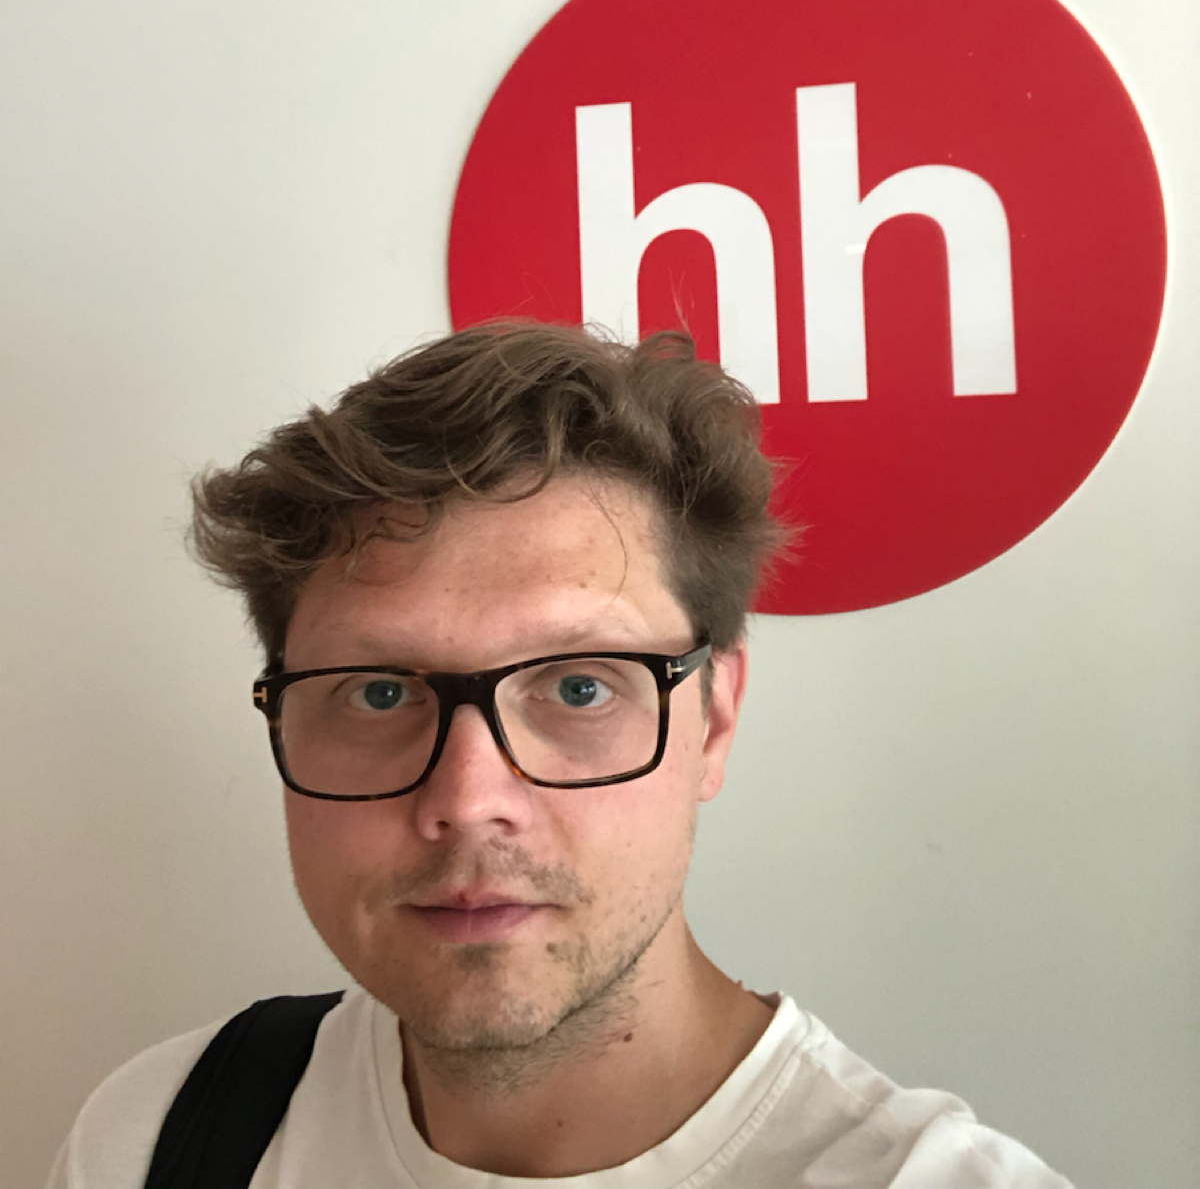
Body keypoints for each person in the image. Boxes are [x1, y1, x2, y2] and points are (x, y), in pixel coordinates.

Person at [49, 322, 1072, 1188]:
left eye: (580, 687)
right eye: (378, 692)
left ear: (713, 720)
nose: (468, 799)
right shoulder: (155, 1141)